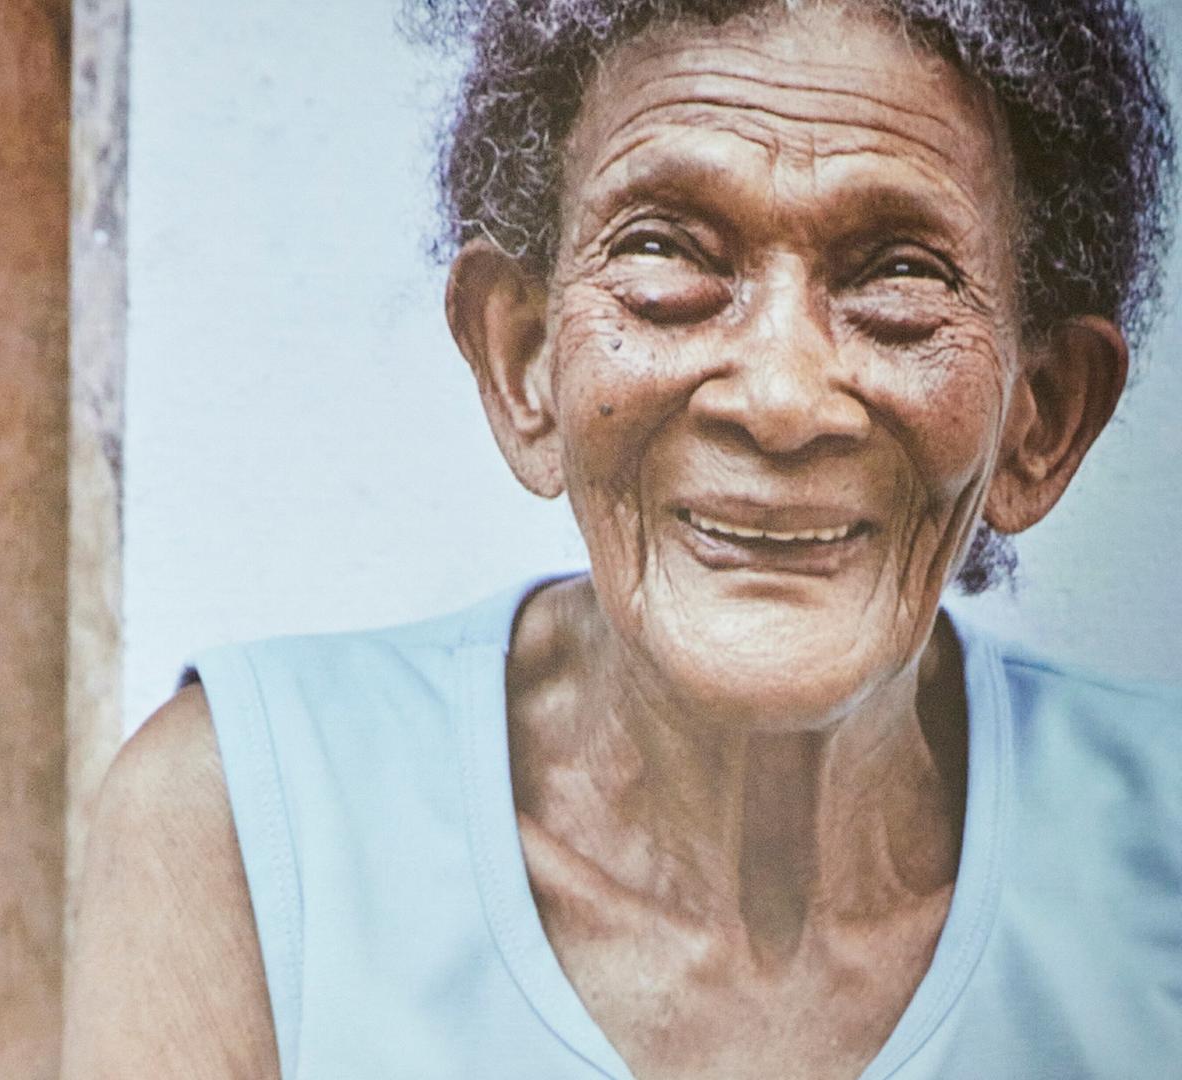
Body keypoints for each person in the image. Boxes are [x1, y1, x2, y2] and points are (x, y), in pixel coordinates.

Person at [64, 0, 1180, 1077]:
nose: (781, 397)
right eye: (668, 253)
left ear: (1044, 415)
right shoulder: (247, 837)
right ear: (523, 363)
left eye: (898, 272)